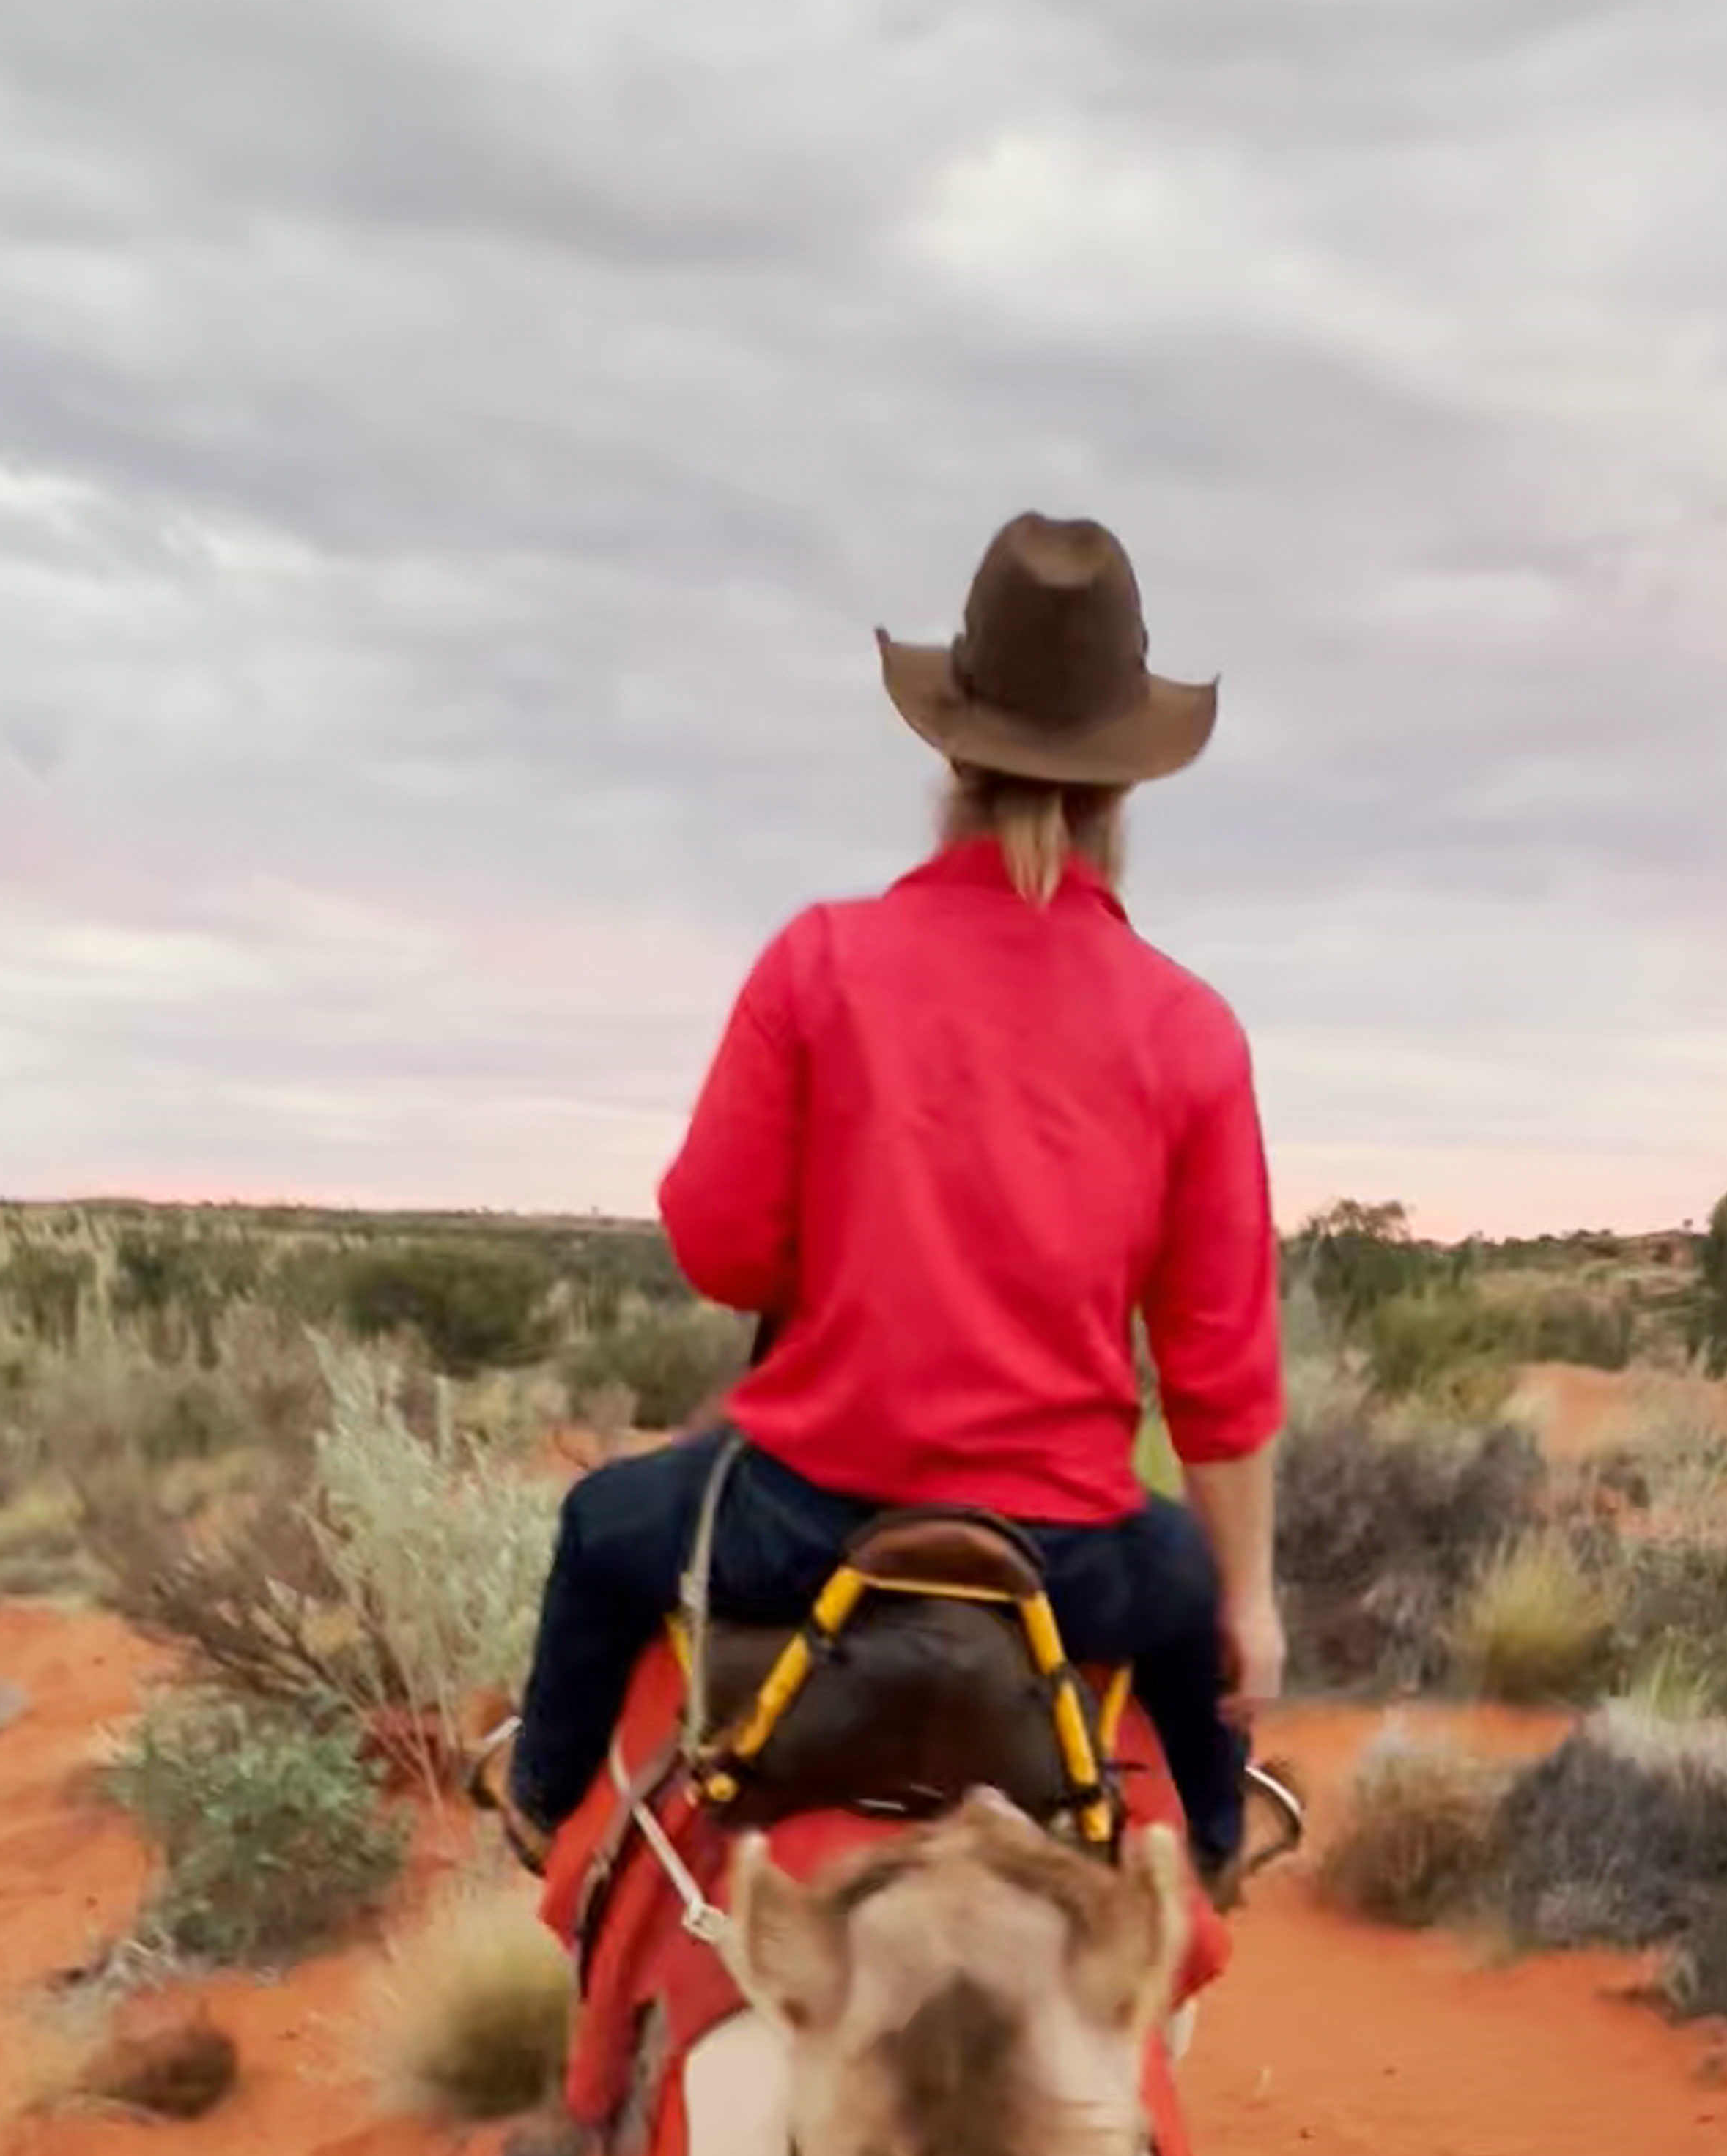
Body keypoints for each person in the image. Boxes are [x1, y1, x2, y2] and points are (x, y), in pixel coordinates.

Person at [506, 512, 1284, 1892]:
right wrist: (1251, 1603)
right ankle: (1211, 1873)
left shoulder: (820, 964)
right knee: (1194, 1636)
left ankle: (540, 1820)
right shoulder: (1192, 1032)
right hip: (1075, 1558)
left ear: (951, 750)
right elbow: (1221, 1378)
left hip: (802, 1519)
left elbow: (720, 1246)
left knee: (598, 1533)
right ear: (1125, 786)